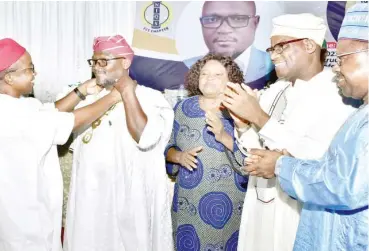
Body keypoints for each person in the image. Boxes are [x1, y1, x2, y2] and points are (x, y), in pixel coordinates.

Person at [222, 13, 357, 251]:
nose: (273, 55)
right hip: (261, 201)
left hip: (298, 211)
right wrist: (243, 125)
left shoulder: (337, 93)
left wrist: (258, 117)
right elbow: (257, 149)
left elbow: (314, 158)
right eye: (271, 49)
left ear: (308, 45)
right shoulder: (276, 90)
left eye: (281, 47)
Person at [0, 38, 122, 251]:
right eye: (30, 69)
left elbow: (50, 112)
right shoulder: (12, 114)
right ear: (9, 77)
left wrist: (81, 91)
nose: (35, 74)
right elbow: (70, 121)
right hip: (22, 212)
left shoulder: (20, 105)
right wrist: (113, 97)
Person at [64, 35, 174, 251]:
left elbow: (145, 137)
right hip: (89, 195)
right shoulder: (90, 97)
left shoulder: (150, 98)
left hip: (128, 199)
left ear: (125, 62)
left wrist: (126, 92)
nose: (97, 67)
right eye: (94, 61)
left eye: (104, 61)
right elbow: (58, 125)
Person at [165, 54, 248, 251]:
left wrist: (223, 135)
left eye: (218, 74)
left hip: (230, 202)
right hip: (188, 201)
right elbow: (167, 148)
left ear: (231, 80)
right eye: (204, 73)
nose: (209, 78)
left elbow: (250, 160)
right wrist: (179, 156)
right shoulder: (183, 108)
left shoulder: (242, 109)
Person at [184, 1, 276, 89]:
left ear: (255, 23)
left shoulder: (274, 66)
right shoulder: (185, 69)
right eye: (212, 19)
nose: (224, 29)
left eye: (237, 19)